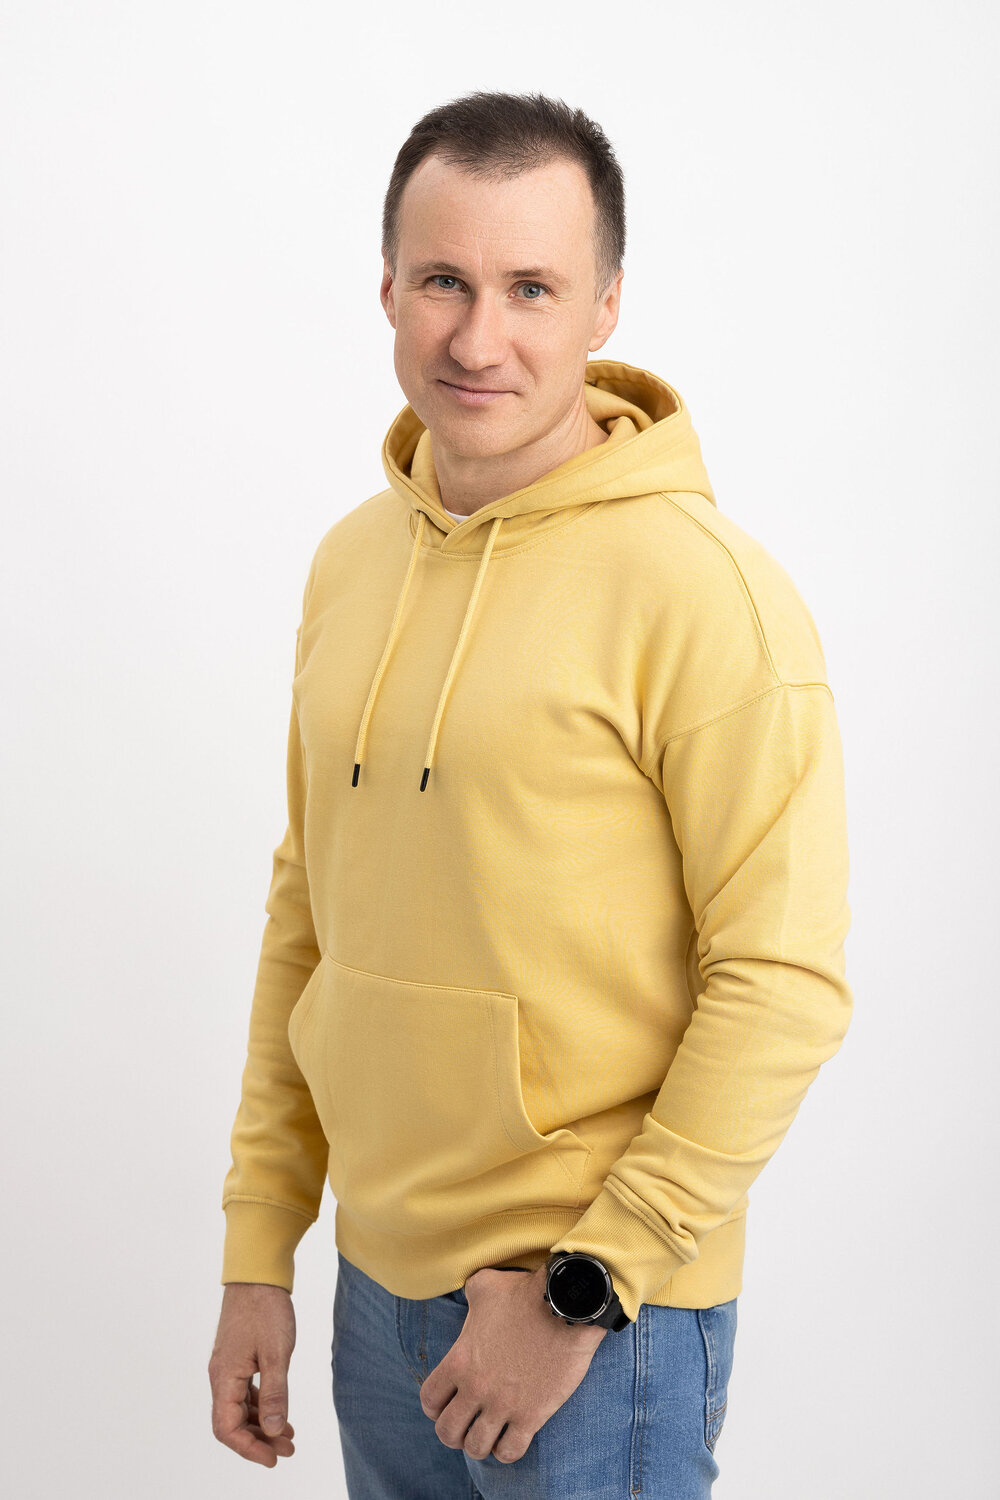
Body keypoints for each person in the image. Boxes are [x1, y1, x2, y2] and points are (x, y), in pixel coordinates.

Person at [208, 90, 853, 1498]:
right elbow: (310, 915)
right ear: (387, 288)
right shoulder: (352, 563)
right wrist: (262, 1246)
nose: (477, 337)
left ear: (606, 305)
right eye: (443, 279)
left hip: (596, 1324)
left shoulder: (706, 596)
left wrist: (583, 1288)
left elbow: (784, 981)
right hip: (375, 1295)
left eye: (532, 288)